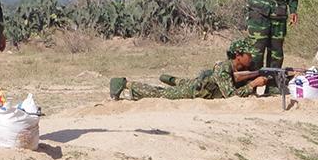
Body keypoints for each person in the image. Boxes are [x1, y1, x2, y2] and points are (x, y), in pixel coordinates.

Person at [109, 39, 278, 100]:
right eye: (249, 54)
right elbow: (231, 96)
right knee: (161, 94)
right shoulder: (224, 68)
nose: (252, 57)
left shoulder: (241, 68)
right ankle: (125, 84)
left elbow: (238, 79)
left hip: (202, 85)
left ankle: (174, 80)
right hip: (196, 92)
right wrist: (253, 84)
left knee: (186, 82)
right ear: (238, 56)